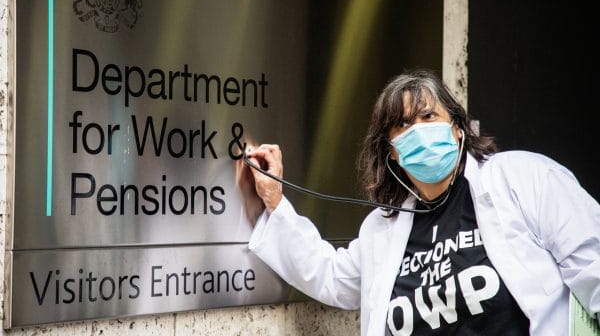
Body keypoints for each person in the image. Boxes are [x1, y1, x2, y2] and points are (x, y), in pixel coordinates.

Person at [239, 69, 600, 335]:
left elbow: (592, 266)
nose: (418, 132)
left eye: (428, 117)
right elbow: (332, 277)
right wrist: (274, 202)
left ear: (457, 127)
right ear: (392, 152)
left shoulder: (523, 178)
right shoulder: (384, 228)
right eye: (402, 125)